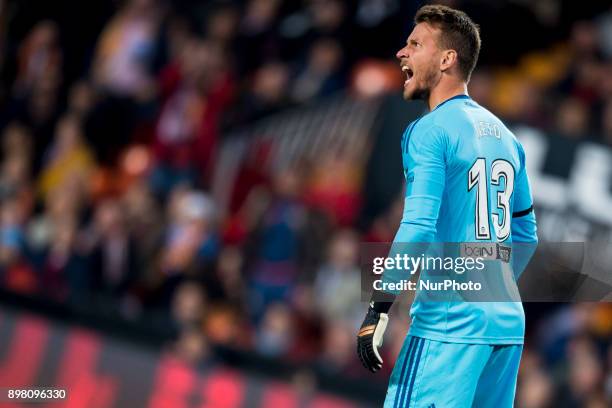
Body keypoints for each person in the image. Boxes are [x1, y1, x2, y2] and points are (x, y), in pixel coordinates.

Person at [356, 5, 538, 407]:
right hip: (505, 326)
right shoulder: (507, 137)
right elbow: (526, 233)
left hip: (450, 326)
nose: (402, 53)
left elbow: (417, 227)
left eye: (415, 44)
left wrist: (379, 307)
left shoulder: (429, 131)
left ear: (447, 59)